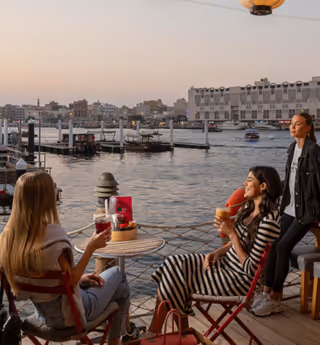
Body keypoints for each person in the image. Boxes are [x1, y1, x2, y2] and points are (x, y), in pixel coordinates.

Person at [145, 166, 282, 336]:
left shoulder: (269, 221)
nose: (244, 183)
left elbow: (250, 269)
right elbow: (237, 244)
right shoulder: (248, 208)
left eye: (249, 180)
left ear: (263, 186)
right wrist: (218, 252)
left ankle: (158, 333)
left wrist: (231, 232)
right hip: (224, 265)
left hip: (238, 280)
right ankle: (180, 333)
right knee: (173, 263)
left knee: (177, 275)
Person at [0, 171, 129, 345]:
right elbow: (71, 281)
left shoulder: (7, 240)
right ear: (46, 199)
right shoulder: (54, 240)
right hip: (71, 319)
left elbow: (38, 280)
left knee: (104, 285)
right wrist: (91, 247)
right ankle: (116, 341)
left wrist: (81, 279)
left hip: (41, 315)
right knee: (119, 277)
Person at [251, 112, 320, 317]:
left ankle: (275, 299)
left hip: (306, 211)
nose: (292, 127)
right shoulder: (292, 149)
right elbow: (290, 182)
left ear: (307, 128)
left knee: (282, 246)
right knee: (272, 244)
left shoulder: (314, 151)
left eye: (297, 124)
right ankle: (266, 292)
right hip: (289, 208)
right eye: (291, 123)